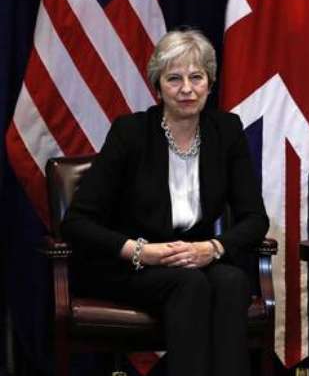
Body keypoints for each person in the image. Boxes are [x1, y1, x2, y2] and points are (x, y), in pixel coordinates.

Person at [62, 28, 269, 376]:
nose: (186, 89)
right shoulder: (130, 133)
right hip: (129, 266)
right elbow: (76, 223)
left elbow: (254, 218)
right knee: (190, 284)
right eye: (174, 79)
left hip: (194, 259)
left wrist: (213, 248)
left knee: (232, 281)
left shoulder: (226, 131)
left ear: (210, 83)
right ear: (157, 87)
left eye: (196, 77)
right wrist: (141, 251)